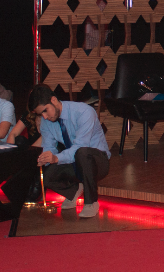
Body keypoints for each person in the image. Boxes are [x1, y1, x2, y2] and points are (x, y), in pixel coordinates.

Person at [28, 84, 110, 218]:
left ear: (54, 100)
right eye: (40, 114)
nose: (45, 116)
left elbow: (80, 146)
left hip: (97, 160)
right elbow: (49, 147)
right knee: (47, 177)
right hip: (74, 160)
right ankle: (74, 190)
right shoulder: (46, 122)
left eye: (45, 111)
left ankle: (91, 202)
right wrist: (45, 158)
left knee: (82, 153)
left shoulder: (84, 112)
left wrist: (56, 158)